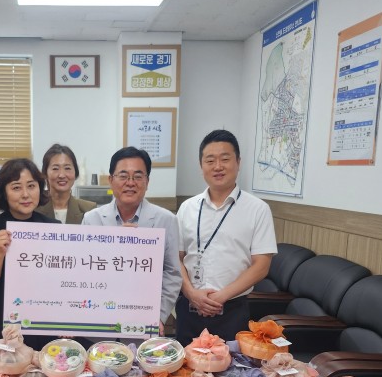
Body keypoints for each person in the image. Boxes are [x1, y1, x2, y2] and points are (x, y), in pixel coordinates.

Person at [175, 129, 277, 344]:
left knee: (230, 365)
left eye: (225, 159)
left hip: (232, 310)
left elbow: (261, 266)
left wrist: (221, 297)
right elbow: (176, 258)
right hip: (189, 307)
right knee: (184, 363)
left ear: (238, 162)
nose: (218, 166)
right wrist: (191, 293)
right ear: (201, 166)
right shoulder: (187, 208)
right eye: (210, 160)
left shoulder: (258, 209)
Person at [82, 147, 181, 335]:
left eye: (137, 176)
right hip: (99, 319)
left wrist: (159, 315)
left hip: (143, 322)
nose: (130, 183)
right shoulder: (92, 219)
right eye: (123, 176)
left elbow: (172, 273)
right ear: (111, 180)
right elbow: (83, 270)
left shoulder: (166, 220)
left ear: (147, 182)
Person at [0, 158, 58, 349]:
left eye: (31, 186)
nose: (25, 194)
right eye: (16, 187)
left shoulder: (54, 229)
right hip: (1, 332)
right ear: (4, 192)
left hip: (44, 330)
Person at [35, 143, 95, 224]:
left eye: (67, 168)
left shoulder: (89, 210)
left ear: (75, 173)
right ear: (45, 173)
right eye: (55, 168)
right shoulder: (34, 208)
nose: (62, 175)